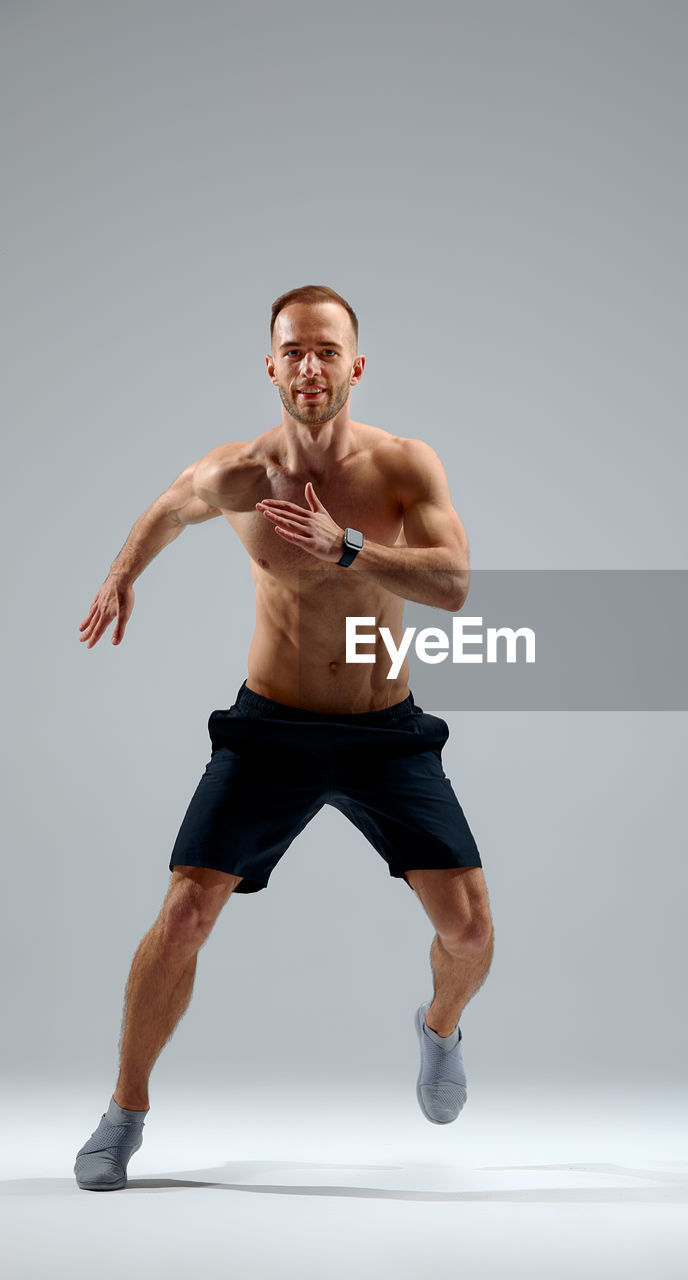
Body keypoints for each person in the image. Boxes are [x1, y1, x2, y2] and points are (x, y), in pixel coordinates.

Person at [73, 285, 494, 1192]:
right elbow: (171, 509)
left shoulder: (401, 468)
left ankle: (438, 1030)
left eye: (327, 352)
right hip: (270, 728)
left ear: (356, 366)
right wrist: (121, 575)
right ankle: (124, 1110)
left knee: (469, 931)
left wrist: (349, 548)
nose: (310, 367)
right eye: (294, 352)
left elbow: (455, 583)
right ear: (271, 365)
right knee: (184, 914)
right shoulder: (241, 474)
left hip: (385, 730)